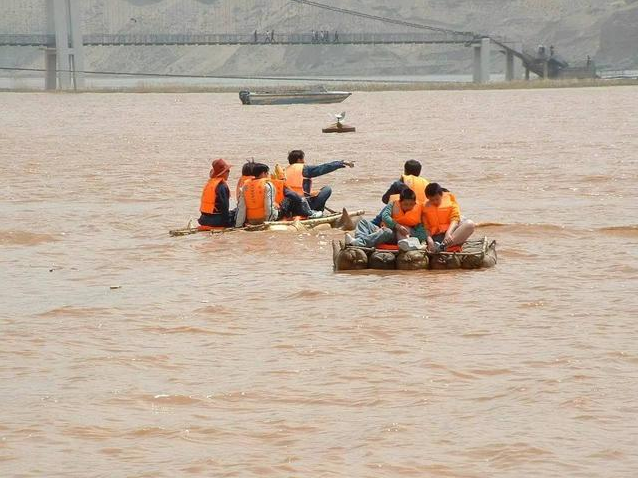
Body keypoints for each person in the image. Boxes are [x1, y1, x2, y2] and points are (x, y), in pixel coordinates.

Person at [235, 163, 319, 227]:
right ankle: (309, 214)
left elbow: (241, 207)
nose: (268, 175)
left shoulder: (245, 186)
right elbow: (268, 206)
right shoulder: (268, 185)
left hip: (251, 219)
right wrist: (269, 221)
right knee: (290, 198)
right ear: (263, 173)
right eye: (267, 173)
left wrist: (238, 225)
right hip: (266, 218)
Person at [345, 188, 427, 248]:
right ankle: (359, 241)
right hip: (386, 229)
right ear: (400, 202)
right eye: (405, 204)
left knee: (387, 232)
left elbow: (422, 233)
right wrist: (397, 226)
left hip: (398, 236)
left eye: (411, 204)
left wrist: (410, 234)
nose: (408, 207)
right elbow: (385, 216)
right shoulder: (393, 204)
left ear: (414, 203)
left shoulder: (418, 211)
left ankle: (359, 242)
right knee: (363, 222)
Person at [285, 149, 354, 212]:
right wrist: (341, 163)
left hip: (289, 206)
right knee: (327, 189)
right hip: (303, 205)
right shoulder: (304, 169)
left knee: (315, 192)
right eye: (303, 159)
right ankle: (318, 211)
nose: (304, 161)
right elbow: (324, 167)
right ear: (299, 160)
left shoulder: (284, 171)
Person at [422, 182, 475, 252]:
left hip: (452, 234)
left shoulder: (450, 201)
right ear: (428, 198)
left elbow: (455, 219)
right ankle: (442, 247)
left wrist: (448, 233)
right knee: (432, 241)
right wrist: (429, 240)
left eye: (437, 199)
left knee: (470, 224)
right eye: (432, 200)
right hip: (437, 236)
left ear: (441, 195)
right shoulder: (425, 207)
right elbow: (426, 227)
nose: (435, 202)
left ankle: (442, 247)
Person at [198, 158, 235, 227]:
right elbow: (224, 207)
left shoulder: (209, 183)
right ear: (223, 173)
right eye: (227, 171)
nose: (228, 173)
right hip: (216, 221)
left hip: (203, 219)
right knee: (236, 212)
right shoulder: (222, 186)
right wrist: (228, 223)